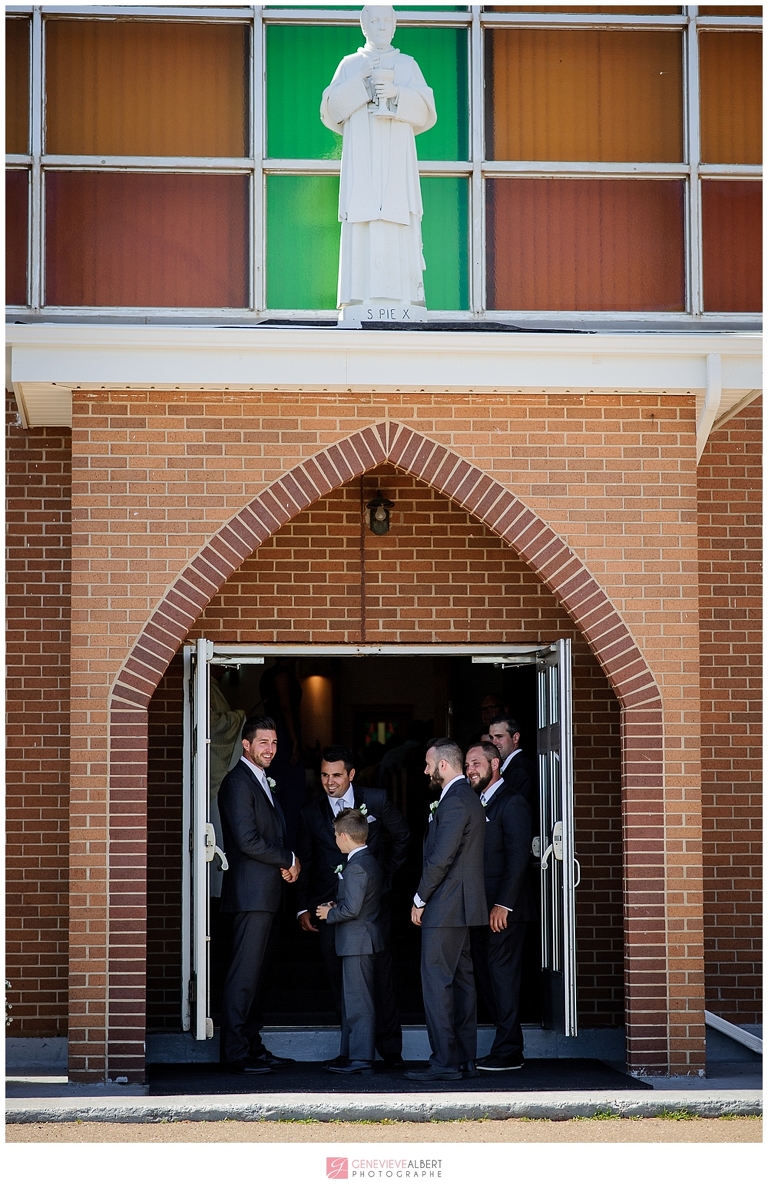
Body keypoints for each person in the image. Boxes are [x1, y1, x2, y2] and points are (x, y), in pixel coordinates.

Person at [320, 5, 436, 322]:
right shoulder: (350, 65)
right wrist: (362, 84)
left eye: (387, 20)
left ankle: (403, 297)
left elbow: (426, 111)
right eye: (375, 20)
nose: (381, 26)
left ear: (395, 25)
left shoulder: (407, 65)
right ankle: (360, 295)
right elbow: (331, 110)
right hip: (363, 163)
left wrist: (397, 93)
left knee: (398, 218)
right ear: (364, 25)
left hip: (397, 165)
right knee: (363, 219)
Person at [295, 745, 409, 1066]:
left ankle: (390, 1052)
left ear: (351, 774)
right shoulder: (310, 811)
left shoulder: (375, 799)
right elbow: (305, 858)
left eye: (336, 775)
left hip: (371, 907)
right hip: (328, 908)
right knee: (340, 979)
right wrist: (303, 906)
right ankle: (354, 1051)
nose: (329, 782)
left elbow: (402, 836)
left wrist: (384, 881)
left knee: (382, 979)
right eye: (324, 775)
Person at [218, 717, 300, 1074]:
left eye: (275, 742)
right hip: (251, 896)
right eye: (263, 742)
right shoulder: (237, 782)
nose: (270, 749)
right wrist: (288, 858)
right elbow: (247, 840)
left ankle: (252, 1045)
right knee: (244, 976)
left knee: (258, 976)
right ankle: (236, 1053)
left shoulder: (261, 780)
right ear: (246, 745)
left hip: (267, 895)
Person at [405, 738, 487, 1084]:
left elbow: (442, 857)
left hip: (446, 906)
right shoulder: (466, 797)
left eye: (428, 764)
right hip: (462, 907)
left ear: (442, 765)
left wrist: (420, 898)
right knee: (463, 984)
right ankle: (464, 1059)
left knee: (437, 983)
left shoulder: (453, 801)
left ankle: (444, 1062)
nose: (425, 770)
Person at [465, 742, 535, 1071]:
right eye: (467, 765)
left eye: (476, 763)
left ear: (495, 764)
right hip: (478, 910)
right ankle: (506, 1044)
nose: (470, 769)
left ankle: (509, 1051)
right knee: (487, 977)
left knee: (502, 977)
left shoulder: (513, 802)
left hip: (503, 912)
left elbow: (518, 857)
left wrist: (503, 905)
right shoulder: (474, 801)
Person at [316, 808, 384, 1075]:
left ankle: (361, 1058)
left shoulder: (357, 867)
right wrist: (339, 903)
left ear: (344, 836)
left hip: (358, 942)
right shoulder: (366, 861)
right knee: (352, 1001)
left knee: (359, 1003)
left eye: (335, 834)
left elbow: (353, 910)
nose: (334, 838)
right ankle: (349, 1054)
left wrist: (328, 913)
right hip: (358, 941)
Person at [488, 716, 536, 805]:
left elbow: (517, 808)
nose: (494, 743)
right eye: (491, 737)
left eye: (499, 737)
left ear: (515, 738)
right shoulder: (511, 766)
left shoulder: (521, 769)